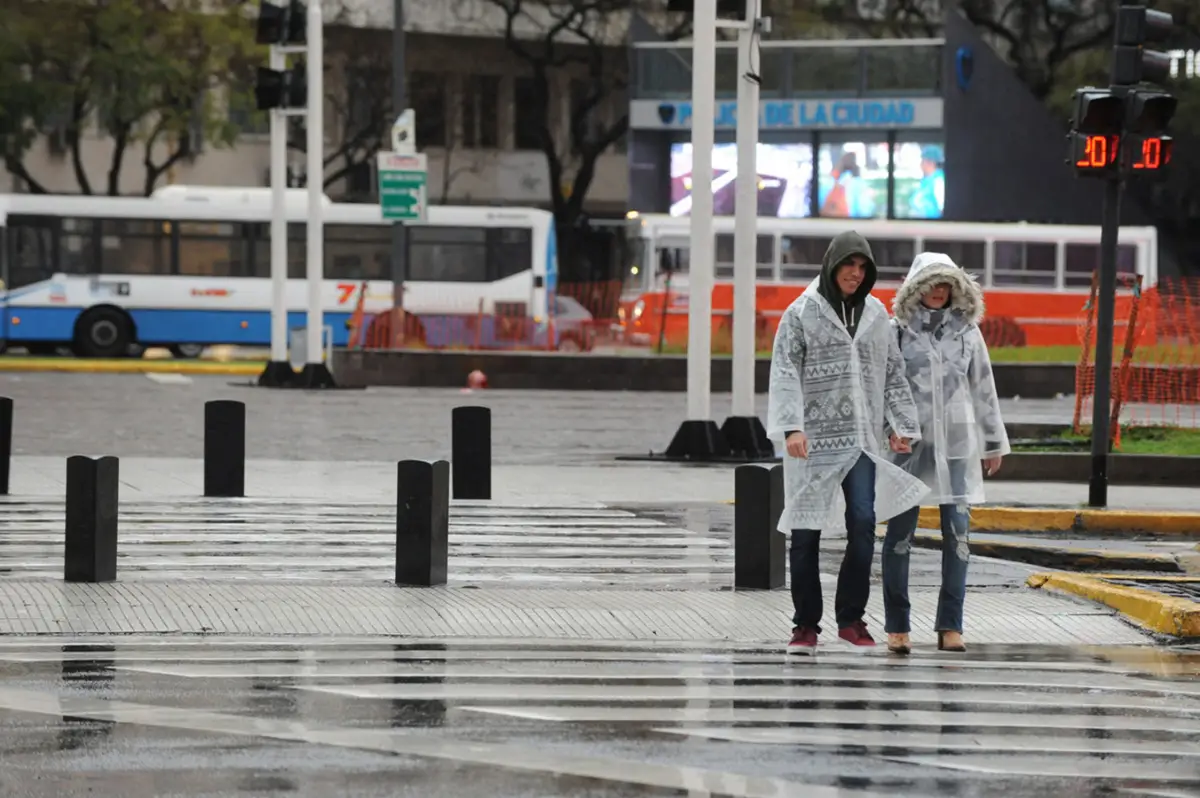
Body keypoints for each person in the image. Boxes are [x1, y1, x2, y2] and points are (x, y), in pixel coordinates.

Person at [767, 231, 929, 654]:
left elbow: (893, 372)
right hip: (812, 442)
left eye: (862, 268)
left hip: (860, 440)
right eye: (848, 266)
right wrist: (791, 428)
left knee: (862, 521)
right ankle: (805, 625)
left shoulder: (876, 315)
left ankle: (851, 618)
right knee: (805, 532)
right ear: (832, 265)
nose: (855, 275)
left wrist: (901, 424)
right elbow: (784, 371)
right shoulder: (801, 313)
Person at [881, 252, 1010, 655]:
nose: (938, 291)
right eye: (931, 284)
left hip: (957, 447)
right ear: (915, 288)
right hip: (908, 446)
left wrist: (992, 443)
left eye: (946, 285)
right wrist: (889, 429)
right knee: (899, 537)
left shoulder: (968, 332)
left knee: (958, 535)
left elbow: (983, 387)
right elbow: (883, 385)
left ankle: (951, 624)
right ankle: (897, 626)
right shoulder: (897, 331)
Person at [907, 145, 945, 219]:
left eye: (923, 161)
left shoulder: (938, 181)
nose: (920, 164)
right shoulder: (927, 180)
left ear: (930, 163)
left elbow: (942, 209)